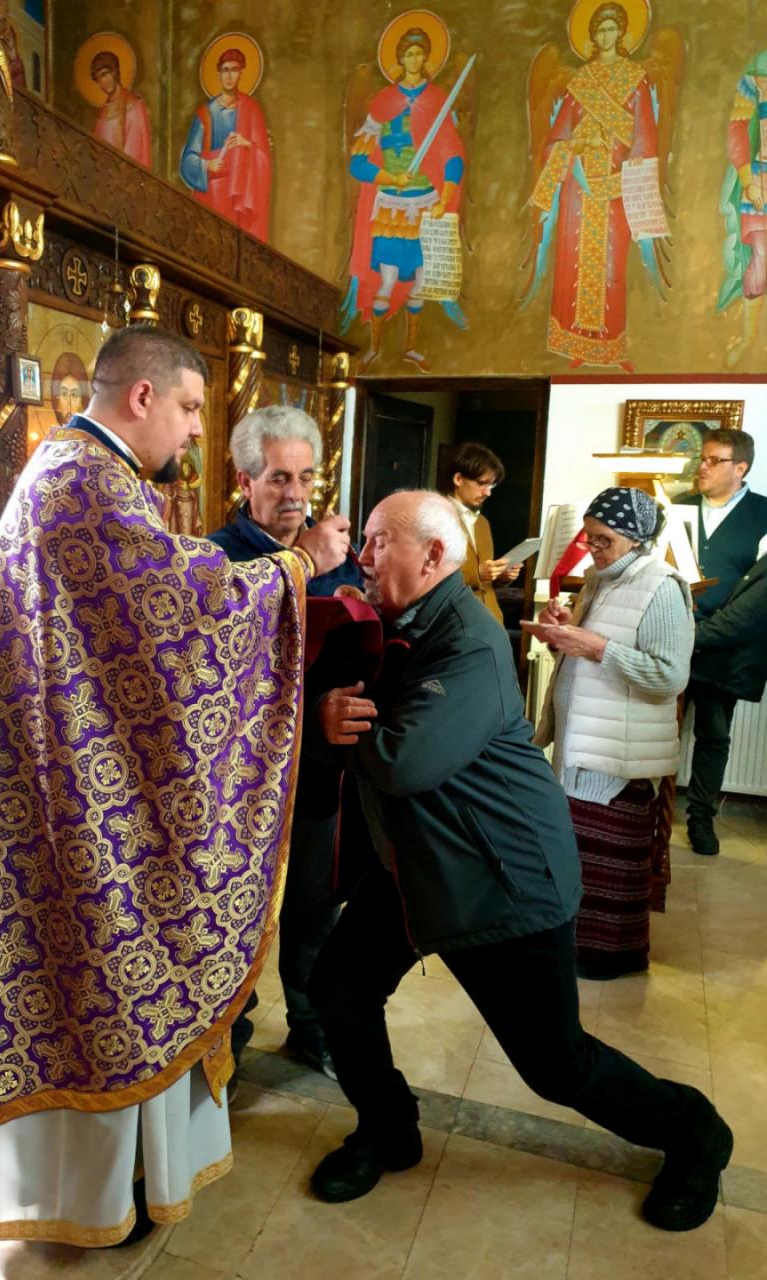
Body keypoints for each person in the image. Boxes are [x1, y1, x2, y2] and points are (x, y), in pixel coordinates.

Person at [0, 327, 351, 1247]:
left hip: (71, 772)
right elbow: (188, 609)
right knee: (103, 976)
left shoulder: (84, 475)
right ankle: (102, 1196)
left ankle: (115, 1185)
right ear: (143, 396)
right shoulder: (85, 484)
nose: (195, 430)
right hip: (73, 795)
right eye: (190, 408)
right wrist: (300, 566)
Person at [306, 489, 732, 1233]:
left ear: (433, 556)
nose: (362, 556)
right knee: (340, 991)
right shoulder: (401, 619)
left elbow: (404, 761)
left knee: (554, 1064)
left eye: (378, 542)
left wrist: (328, 725)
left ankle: (697, 1134)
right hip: (418, 865)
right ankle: (388, 1128)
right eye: (363, 539)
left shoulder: (466, 641)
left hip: (500, 878)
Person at [208, 406, 362, 1082]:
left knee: (314, 910)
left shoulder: (339, 555)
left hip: (319, 772)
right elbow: (218, 675)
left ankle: (311, 1028)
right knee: (234, 917)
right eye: (278, 478)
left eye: (306, 477)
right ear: (245, 481)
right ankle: (227, 1041)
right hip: (239, 786)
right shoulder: (216, 559)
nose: (296, 494)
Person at [534, 488, 692, 978]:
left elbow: (669, 676)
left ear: (636, 538)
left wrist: (595, 646)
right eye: (589, 537)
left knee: (609, 863)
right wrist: (564, 628)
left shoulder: (661, 586)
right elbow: (593, 647)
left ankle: (611, 957)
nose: (592, 548)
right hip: (586, 739)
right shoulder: (600, 580)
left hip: (618, 751)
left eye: (603, 539)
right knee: (579, 857)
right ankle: (578, 950)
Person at [526, 3, 661, 370]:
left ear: (622, 33)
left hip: (616, 187)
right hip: (580, 188)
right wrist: (581, 143)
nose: (606, 36)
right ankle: (576, 344)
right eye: (600, 30)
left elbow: (645, 136)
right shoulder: (580, 83)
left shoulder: (636, 80)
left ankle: (611, 347)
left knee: (611, 264)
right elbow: (556, 141)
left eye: (611, 29)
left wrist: (630, 174)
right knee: (574, 260)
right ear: (592, 36)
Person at [344, 25, 466, 371]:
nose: (413, 59)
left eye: (419, 53)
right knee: (387, 280)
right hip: (391, 207)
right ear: (399, 59)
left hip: (425, 202)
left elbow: (453, 155)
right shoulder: (382, 104)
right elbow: (358, 163)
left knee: (422, 281)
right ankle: (374, 349)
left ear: (426, 57)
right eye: (408, 54)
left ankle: (410, 348)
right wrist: (390, 177)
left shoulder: (438, 102)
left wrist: (445, 196)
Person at [677, 429, 767, 854]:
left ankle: (701, 819)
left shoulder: (763, 515)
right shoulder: (676, 507)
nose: (703, 466)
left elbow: (757, 596)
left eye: (715, 460)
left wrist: (712, 633)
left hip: (724, 647)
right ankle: (647, 811)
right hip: (672, 638)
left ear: (740, 468)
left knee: (713, 735)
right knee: (656, 729)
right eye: (703, 458)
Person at [179, 47, 271, 241]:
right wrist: (207, 165)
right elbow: (187, 160)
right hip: (212, 194)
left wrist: (247, 144)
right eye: (225, 70)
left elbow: (263, 158)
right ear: (219, 74)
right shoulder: (206, 113)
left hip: (240, 195)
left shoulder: (251, 110)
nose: (229, 76)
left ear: (241, 74)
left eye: (234, 70)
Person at [718, 49, 767, 367]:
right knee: (761, 258)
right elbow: (737, 131)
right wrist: (749, 182)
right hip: (762, 179)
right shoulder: (757, 74)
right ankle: (749, 337)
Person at [443, 441, 521, 625]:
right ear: (458, 479)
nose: (488, 493)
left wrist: (501, 575)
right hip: (457, 623)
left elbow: (486, 583)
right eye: (482, 484)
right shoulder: (436, 517)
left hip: (491, 621)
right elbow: (427, 580)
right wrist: (477, 574)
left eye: (491, 486)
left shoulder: (482, 523)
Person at [90, 49, 152, 167]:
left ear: (114, 72)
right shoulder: (102, 114)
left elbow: (141, 149)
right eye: (98, 79)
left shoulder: (135, 105)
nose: (102, 83)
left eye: (104, 75)